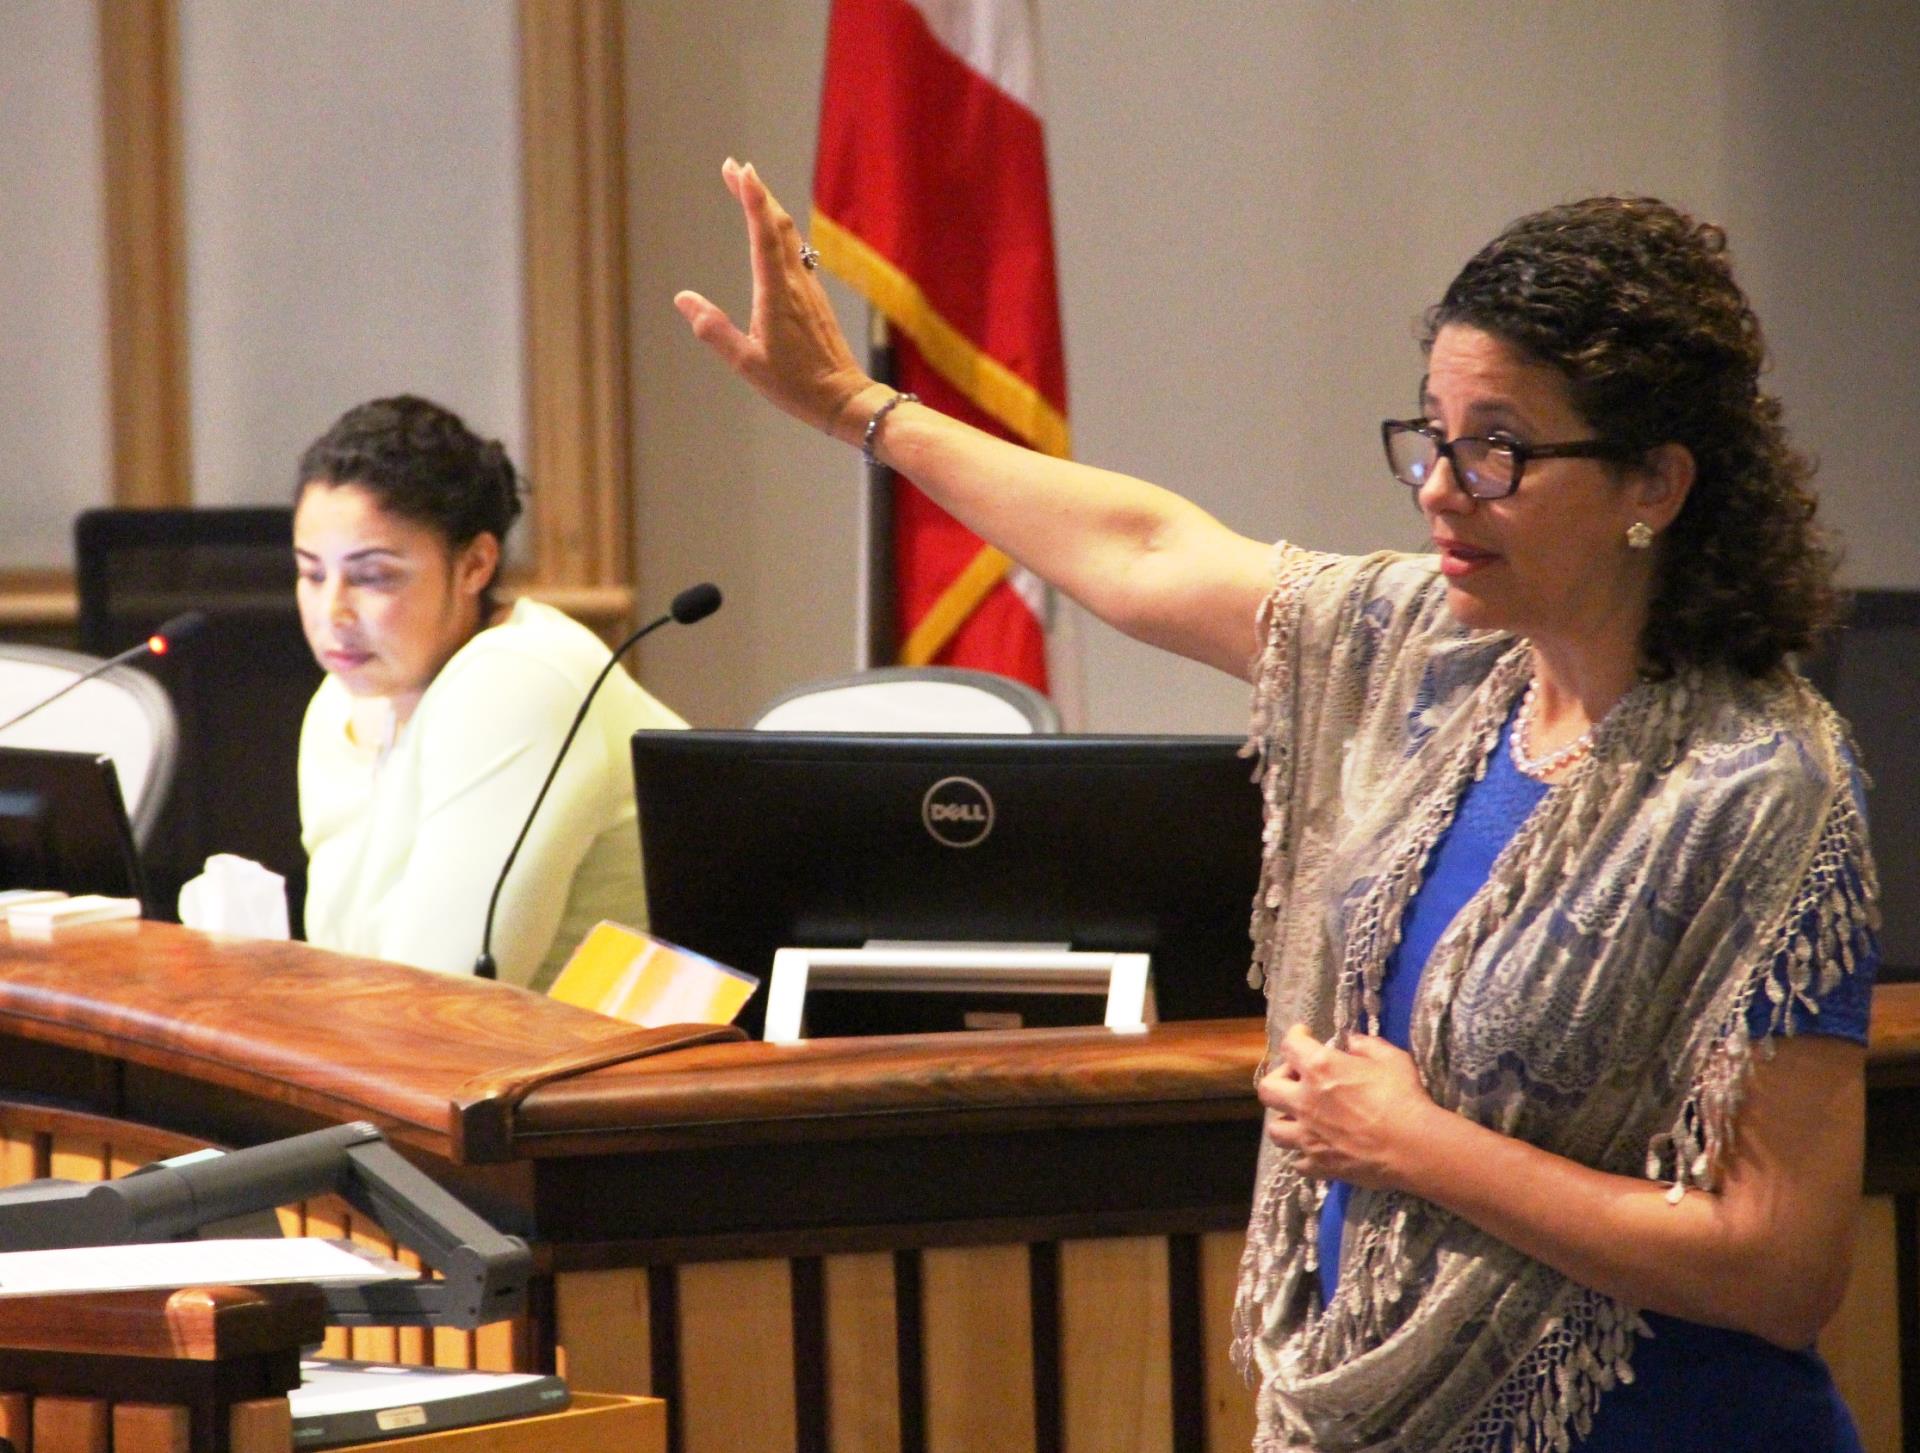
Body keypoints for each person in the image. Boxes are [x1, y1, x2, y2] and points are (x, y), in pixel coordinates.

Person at [675, 160, 1879, 1451]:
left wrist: (1422, 1147)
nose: (1438, 486)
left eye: (1500, 450)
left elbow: (1777, 1266)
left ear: (1657, 484)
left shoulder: (1762, 789)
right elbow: (1144, 551)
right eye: (1433, 433)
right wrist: (862, 410)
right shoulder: (1426, 649)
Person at [292, 395, 685, 992]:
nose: (332, 612)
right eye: (312, 573)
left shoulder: (520, 676)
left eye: (373, 577)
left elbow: (441, 998)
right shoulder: (341, 700)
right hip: (462, 1069)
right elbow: (345, 967)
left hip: (624, 1073)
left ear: (475, 564)